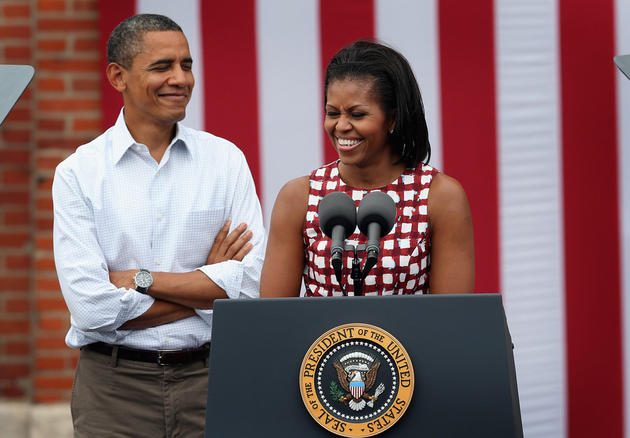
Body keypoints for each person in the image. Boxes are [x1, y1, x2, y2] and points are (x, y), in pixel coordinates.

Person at [52, 14, 265, 437]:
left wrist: (141, 280)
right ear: (118, 76)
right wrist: (205, 285)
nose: (181, 78)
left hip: (213, 380)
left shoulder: (225, 161)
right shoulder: (78, 173)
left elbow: (251, 285)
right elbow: (91, 310)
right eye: (162, 66)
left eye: (186, 65)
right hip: (113, 393)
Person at [260, 40, 474, 297]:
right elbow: (274, 319)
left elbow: (452, 320)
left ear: (392, 118)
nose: (341, 126)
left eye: (357, 115)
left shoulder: (440, 197)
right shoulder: (298, 197)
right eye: (332, 113)